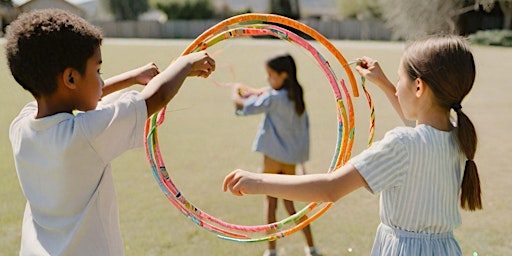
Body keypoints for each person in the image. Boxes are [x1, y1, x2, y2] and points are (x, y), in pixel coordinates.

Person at [223, 34, 482, 255]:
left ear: (418, 87)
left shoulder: (402, 144)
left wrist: (257, 181)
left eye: (399, 78)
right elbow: (421, 121)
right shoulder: (457, 137)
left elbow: (330, 188)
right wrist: (382, 81)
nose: (397, 86)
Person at [6, 9, 215, 255]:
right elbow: (155, 97)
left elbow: (73, 96)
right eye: (97, 71)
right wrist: (186, 63)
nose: (101, 80)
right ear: (71, 78)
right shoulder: (86, 136)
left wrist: (132, 77)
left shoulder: (21, 125)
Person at [231, 53, 321, 256]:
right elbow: (267, 93)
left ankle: (271, 251)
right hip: (290, 160)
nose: (268, 78)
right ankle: (311, 247)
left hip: (272, 159)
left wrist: (235, 94)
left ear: (283, 75)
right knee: (290, 205)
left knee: (271, 204)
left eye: (270, 74)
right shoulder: (295, 96)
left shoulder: (274, 98)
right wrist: (255, 91)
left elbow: (245, 106)